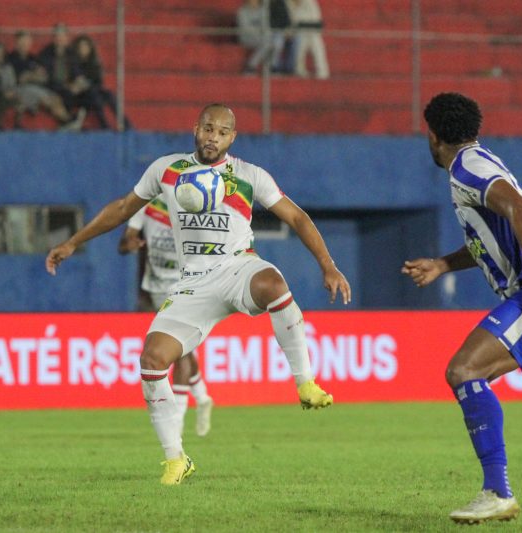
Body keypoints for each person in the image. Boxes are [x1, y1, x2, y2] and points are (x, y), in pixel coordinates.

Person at [47, 103, 350, 485]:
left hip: (238, 266)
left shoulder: (249, 176)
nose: (213, 137)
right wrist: (74, 242)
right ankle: (176, 459)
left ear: (232, 138)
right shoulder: (167, 170)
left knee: (273, 285)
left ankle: (304, 381)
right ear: (196, 128)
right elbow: (124, 208)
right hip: (192, 282)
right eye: (208, 128)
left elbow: (296, 217)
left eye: (222, 132)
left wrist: (327, 264)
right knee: (152, 358)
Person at [402, 92, 522, 524]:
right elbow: (491, 238)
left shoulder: (467, 167)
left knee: (464, 371)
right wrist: (444, 263)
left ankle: (497, 491)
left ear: (433, 134)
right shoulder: (478, 162)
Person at [119, 199, 214, 437]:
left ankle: (178, 418)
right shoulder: (148, 206)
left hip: (186, 286)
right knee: (185, 349)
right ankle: (202, 397)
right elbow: (125, 241)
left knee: (179, 349)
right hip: (156, 287)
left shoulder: (198, 206)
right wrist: (129, 243)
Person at [7, 30, 86, 131]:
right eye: (22, 42)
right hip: (20, 89)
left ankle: (67, 122)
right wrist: (31, 76)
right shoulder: (11, 58)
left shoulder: (32, 58)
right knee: (47, 98)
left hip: (37, 87)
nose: (25, 45)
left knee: (56, 97)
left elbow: (42, 76)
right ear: (16, 43)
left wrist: (34, 76)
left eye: (27, 42)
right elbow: (19, 79)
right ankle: (68, 121)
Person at [36, 23, 87, 125]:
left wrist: (77, 83)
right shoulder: (45, 53)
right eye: (57, 36)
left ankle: (70, 121)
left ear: (66, 38)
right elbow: (45, 75)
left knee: (86, 93)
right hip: (52, 86)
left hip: (68, 86)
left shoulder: (72, 54)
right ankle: (69, 121)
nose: (59, 39)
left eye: (62, 36)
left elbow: (78, 73)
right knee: (61, 95)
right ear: (53, 38)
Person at [237, 0, 287, 75]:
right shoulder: (242, 11)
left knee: (277, 42)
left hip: (261, 36)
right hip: (247, 37)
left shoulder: (263, 11)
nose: (253, 1)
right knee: (267, 42)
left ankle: (272, 66)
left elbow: (266, 26)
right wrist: (261, 35)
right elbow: (246, 28)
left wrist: (266, 35)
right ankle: (251, 65)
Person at [285, 0, 329, 79]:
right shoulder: (288, 3)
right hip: (298, 33)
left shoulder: (310, 2)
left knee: (316, 41)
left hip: (312, 32)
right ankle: (299, 69)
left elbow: (317, 21)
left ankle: (322, 71)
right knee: (300, 40)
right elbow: (291, 22)